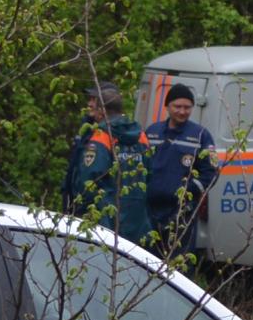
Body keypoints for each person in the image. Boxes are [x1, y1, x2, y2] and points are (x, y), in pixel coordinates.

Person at [143, 82, 216, 259]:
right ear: (167, 106)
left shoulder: (201, 135)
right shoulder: (152, 132)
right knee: (148, 263)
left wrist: (188, 192)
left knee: (179, 265)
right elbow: (141, 167)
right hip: (150, 212)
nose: (182, 111)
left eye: (187, 107)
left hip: (181, 213)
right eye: (178, 106)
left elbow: (211, 172)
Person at [60, 84, 144, 236]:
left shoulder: (100, 136)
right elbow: (149, 175)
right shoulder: (141, 136)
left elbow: (89, 181)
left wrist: (80, 211)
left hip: (103, 221)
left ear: (101, 110)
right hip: (136, 222)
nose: (89, 104)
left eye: (94, 100)